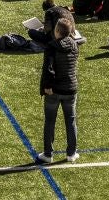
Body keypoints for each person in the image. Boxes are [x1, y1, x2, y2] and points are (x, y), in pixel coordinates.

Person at [36, 11, 79, 164]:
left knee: (50, 122)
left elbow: (48, 69)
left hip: (54, 90)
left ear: (57, 31)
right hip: (70, 88)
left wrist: (47, 87)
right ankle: (71, 153)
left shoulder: (51, 47)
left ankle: (48, 154)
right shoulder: (74, 45)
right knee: (71, 121)